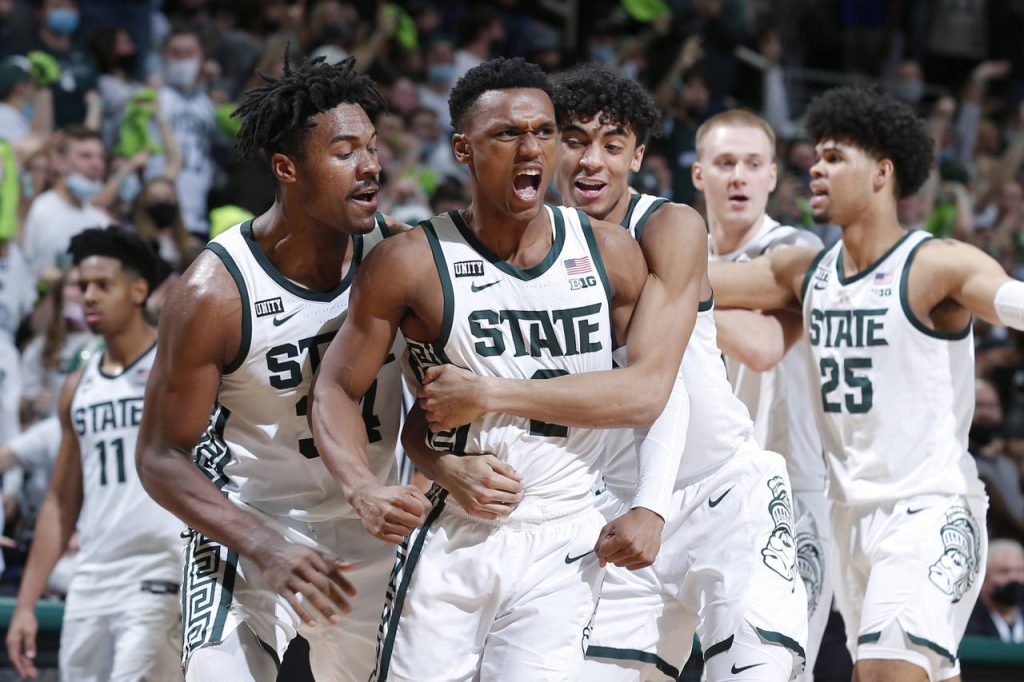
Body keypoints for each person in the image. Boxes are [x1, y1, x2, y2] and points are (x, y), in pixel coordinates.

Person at [412, 62, 809, 682]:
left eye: (613, 145)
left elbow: (657, 387)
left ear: (638, 156)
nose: (591, 161)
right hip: (609, 507)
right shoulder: (529, 243)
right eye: (574, 141)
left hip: (721, 491)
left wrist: (653, 504)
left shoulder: (669, 226)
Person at [309, 57, 652, 681]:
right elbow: (335, 388)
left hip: (568, 535)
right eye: (508, 133)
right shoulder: (409, 262)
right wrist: (366, 487)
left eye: (544, 131)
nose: (532, 148)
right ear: (463, 149)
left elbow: (650, 393)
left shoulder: (611, 253)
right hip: (457, 530)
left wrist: (649, 503)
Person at [706, 85, 1024, 682]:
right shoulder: (803, 272)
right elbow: (692, 279)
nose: (815, 168)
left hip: (928, 509)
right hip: (847, 517)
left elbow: (1010, 299)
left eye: (833, 157)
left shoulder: (936, 263)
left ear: (881, 173)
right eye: (815, 156)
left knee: (883, 673)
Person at [135, 54, 425, 682]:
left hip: (371, 525)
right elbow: (159, 455)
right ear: (287, 168)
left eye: (372, 148)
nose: (371, 166)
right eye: (345, 152)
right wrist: (265, 544)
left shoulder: (401, 257)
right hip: (249, 527)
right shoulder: (215, 292)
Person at [5, 227, 183, 682]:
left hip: (160, 570)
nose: (88, 296)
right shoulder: (76, 385)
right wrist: (26, 604)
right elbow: (60, 501)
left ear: (139, 290)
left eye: (104, 285)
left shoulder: (175, 366)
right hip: (92, 576)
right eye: (83, 285)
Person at [699, 109, 831, 679]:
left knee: (783, 670)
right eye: (725, 163)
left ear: (773, 176)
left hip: (790, 487)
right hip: (695, 487)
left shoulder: (796, 249)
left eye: (753, 164)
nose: (739, 177)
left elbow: (763, 345)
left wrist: (667, 292)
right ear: (699, 173)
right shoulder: (683, 250)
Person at [22, 126, 112, 277]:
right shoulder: (37, 210)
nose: (97, 164)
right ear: (59, 162)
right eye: (85, 156)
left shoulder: (102, 220)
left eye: (101, 157)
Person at [966, 538, 1024, 642]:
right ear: (983, 577)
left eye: (1019, 571)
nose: (1013, 578)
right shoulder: (966, 622)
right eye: (1004, 572)